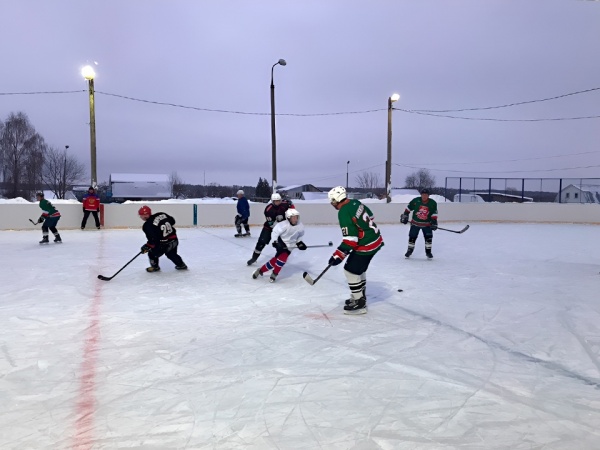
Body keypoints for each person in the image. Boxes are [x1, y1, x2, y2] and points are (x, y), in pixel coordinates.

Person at [327, 186, 384, 314]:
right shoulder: (355, 202)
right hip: (375, 239)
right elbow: (371, 216)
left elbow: (350, 240)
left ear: (337, 199)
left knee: (350, 270)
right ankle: (360, 296)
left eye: (332, 201)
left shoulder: (343, 212)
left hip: (366, 244)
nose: (332, 204)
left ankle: (359, 303)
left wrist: (338, 255)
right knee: (359, 269)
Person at [252, 208, 306, 282]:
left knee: (276, 260)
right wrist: (275, 241)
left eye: (296, 217)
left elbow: (300, 235)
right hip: (281, 242)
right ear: (288, 218)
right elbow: (275, 232)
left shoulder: (300, 226)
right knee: (282, 259)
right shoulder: (283, 225)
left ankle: (261, 270)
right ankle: (274, 274)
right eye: (293, 217)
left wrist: (299, 242)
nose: (295, 219)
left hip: (290, 245)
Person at [247, 193, 294, 265]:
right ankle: (254, 258)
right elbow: (271, 224)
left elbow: (292, 210)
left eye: (279, 201)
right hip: (269, 228)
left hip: (282, 228)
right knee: (261, 243)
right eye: (276, 201)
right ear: (272, 201)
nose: (278, 202)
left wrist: (291, 205)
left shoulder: (284, 204)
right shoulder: (268, 210)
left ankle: (278, 259)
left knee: (281, 246)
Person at [138, 206, 188, 272]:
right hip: (174, 240)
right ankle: (181, 265)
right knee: (171, 254)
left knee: (152, 253)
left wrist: (147, 246)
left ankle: (155, 267)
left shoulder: (147, 226)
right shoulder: (161, 214)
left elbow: (153, 240)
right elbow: (172, 221)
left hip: (163, 244)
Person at [400, 188, 438, 259]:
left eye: (426, 195)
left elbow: (434, 213)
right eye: (423, 195)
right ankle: (409, 251)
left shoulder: (433, 203)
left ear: (428, 195)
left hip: (427, 224)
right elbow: (408, 208)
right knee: (412, 237)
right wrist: (405, 215)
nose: (424, 196)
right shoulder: (416, 201)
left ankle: (428, 252)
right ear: (421, 195)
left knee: (428, 238)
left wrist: (434, 221)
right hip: (415, 223)